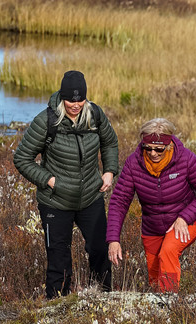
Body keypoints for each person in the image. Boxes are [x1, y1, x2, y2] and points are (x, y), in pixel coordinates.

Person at [14, 69, 119, 298]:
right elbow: (21, 158)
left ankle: (102, 299)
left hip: (91, 197)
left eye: (80, 99)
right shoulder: (46, 121)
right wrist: (49, 180)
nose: (75, 104)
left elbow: (110, 143)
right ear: (62, 97)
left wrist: (110, 171)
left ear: (85, 97)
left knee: (100, 250)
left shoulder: (95, 115)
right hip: (56, 201)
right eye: (70, 100)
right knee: (58, 257)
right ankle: (56, 309)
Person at [107, 117, 196, 293]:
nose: (153, 153)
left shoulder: (186, 159)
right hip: (152, 228)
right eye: (148, 148)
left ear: (169, 145)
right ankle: (158, 309)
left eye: (159, 149)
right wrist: (113, 239)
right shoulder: (133, 164)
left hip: (186, 222)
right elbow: (119, 201)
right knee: (155, 275)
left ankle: (170, 304)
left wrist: (184, 217)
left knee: (168, 251)